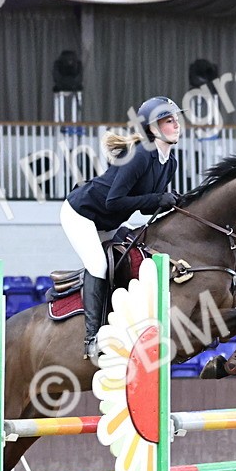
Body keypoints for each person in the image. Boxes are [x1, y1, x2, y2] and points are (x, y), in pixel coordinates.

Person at [61, 96, 183, 360]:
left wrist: (172, 203)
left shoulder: (170, 162)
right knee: (98, 266)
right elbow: (113, 201)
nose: (176, 125)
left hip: (111, 221)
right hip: (82, 214)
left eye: (176, 119)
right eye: (168, 121)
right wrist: (157, 199)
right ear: (153, 128)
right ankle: (91, 340)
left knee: (136, 255)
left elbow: (147, 209)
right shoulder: (139, 156)